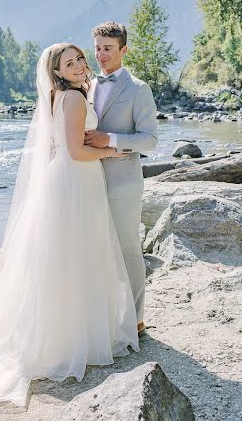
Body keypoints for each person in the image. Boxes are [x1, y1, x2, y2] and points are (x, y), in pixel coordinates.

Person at [0, 43, 139, 415]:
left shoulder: (57, 97)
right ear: (58, 71)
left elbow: (58, 149)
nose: (81, 65)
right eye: (71, 62)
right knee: (77, 255)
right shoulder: (74, 100)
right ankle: (72, 339)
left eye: (81, 58)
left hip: (64, 182)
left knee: (61, 258)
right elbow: (76, 151)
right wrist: (113, 153)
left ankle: (64, 333)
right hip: (77, 182)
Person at [85, 21, 158, 339]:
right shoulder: (86, 85)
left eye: (108, 48)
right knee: (95, 250)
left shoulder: (139, 89)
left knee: (128, 250)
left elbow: (150, 140)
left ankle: (137, 320)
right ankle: (105, 317)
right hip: (87, 179)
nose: (101, 55)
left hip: (124, 183)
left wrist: (110, 140)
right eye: (98, 48)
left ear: (123, 50)